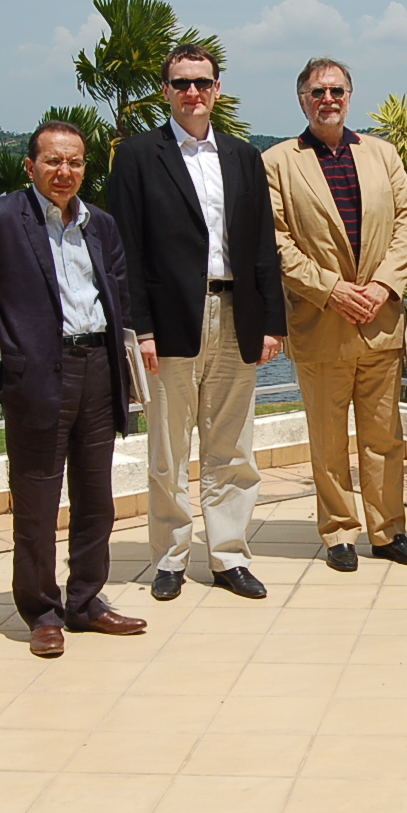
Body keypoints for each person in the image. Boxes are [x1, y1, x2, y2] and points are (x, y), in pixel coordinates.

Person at [0, 119, 146, 658]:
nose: (64, 171)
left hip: (99, 369)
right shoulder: (2, 217)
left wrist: (126, 359)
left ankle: (86, 602)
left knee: (96, 499)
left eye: (74, 161)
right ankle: (42, 612)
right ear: (30, 166)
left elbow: (118, 291)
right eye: (53, 161)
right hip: (37, 374)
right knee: (37, 501)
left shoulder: (100, 223)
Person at [109, 44, 287, 602]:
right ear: (166, 90)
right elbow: (126, 250)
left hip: (237, 314)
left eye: (202, 83)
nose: (193, 92)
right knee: (167, 450)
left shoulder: (243, 156)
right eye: (182, 83)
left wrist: (272, 322)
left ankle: (229, 556)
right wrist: (140, 330)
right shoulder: (138, 155)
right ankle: (169, 559)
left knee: (232, 447)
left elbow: (262, 245)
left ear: (217, 89)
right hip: (169, 323)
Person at [263, 58, 407, 573]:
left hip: (380, 321)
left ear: (349, 96)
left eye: (336, 91)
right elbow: (277, 241)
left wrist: (383, 285)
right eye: (317, 92)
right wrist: (330, 290)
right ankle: (339, 532)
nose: (327, 99)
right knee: (328, 441)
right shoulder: (277, 163)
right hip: (321, 324)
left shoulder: (382, 154)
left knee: (384, 438)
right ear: (302, 100)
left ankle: (388, 530)